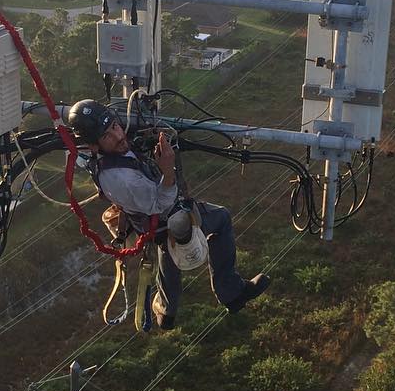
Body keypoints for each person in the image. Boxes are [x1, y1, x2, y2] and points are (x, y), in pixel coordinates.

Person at [66, 99, 269, 330]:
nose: (118, 136)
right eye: (107, 136)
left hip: (153, 224)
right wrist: (167, 168)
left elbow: (124, 143)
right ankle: (232, 292)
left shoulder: (113, 152)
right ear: (94, 146)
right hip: (163, 214)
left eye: (115, 126)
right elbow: (159, 204)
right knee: (220, 219)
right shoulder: (119, 179)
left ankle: (166, 311)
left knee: (167, 251)